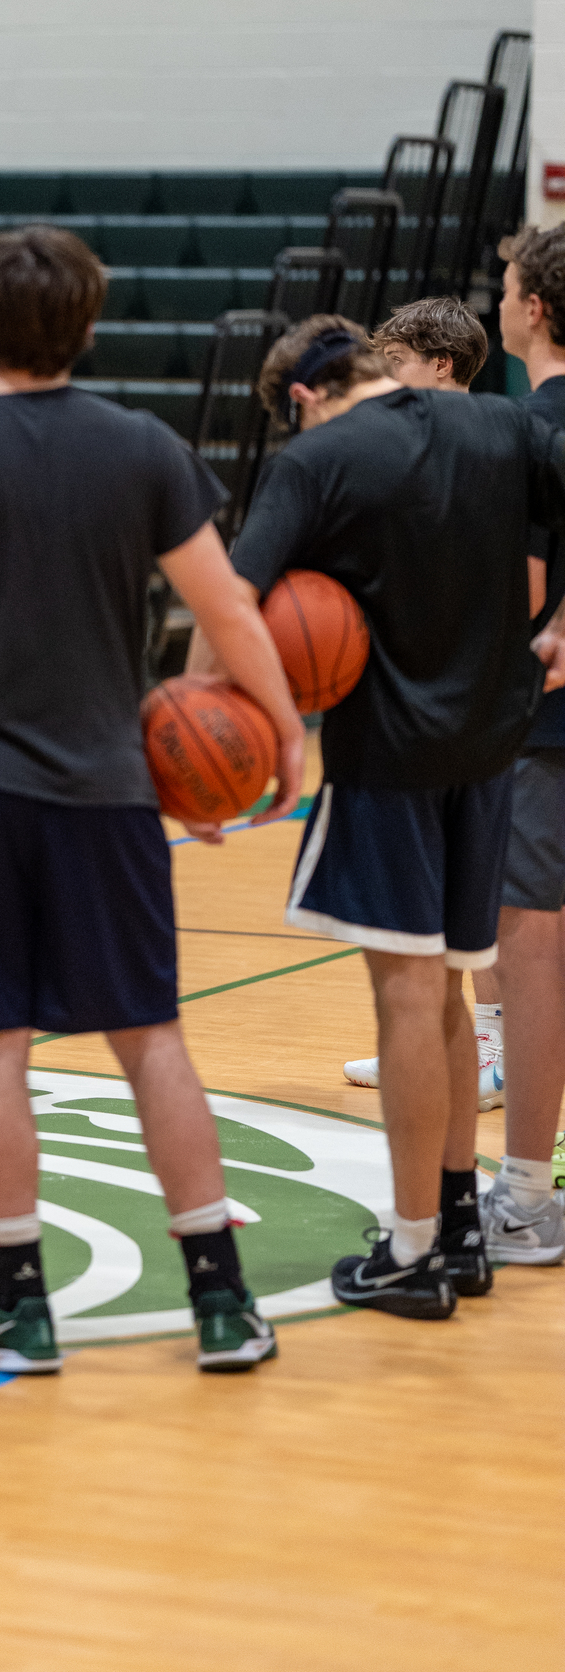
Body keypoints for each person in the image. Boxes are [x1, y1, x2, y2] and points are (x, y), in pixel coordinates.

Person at [0, 225, 305, 1374]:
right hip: (109, 792)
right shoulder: (141, 447)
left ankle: (20, 1308)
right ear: (89, 326)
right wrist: (286, 733)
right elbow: (229, 607)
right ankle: (222, 1301)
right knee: (151, 1040)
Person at [217, 312, 565, 1321]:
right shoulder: (503, 425)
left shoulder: (318, 458)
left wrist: (253, 736)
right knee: (447, 993)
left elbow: (232, 607)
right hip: (490, 754)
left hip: (388, 761)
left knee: (408, 999)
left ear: (301, 396)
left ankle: (413, 1253)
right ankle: (458, 1229)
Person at [341, 295, 503, 1104]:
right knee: (430, 892)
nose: (387, 376)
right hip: (423, 703)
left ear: (442, 364)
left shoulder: (499, 443)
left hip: (483, 704)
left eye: (398, 361)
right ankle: (434, 1038)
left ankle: (494, 1040)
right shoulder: (404, 449)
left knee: (491, 891)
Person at [467, 228, 565, 1266]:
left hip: (539, 730)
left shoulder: (526, 430)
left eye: (506, 286)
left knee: (532, 954)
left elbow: (517, 595)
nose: (498, 301)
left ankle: (529, 1200)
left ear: (533, 308)